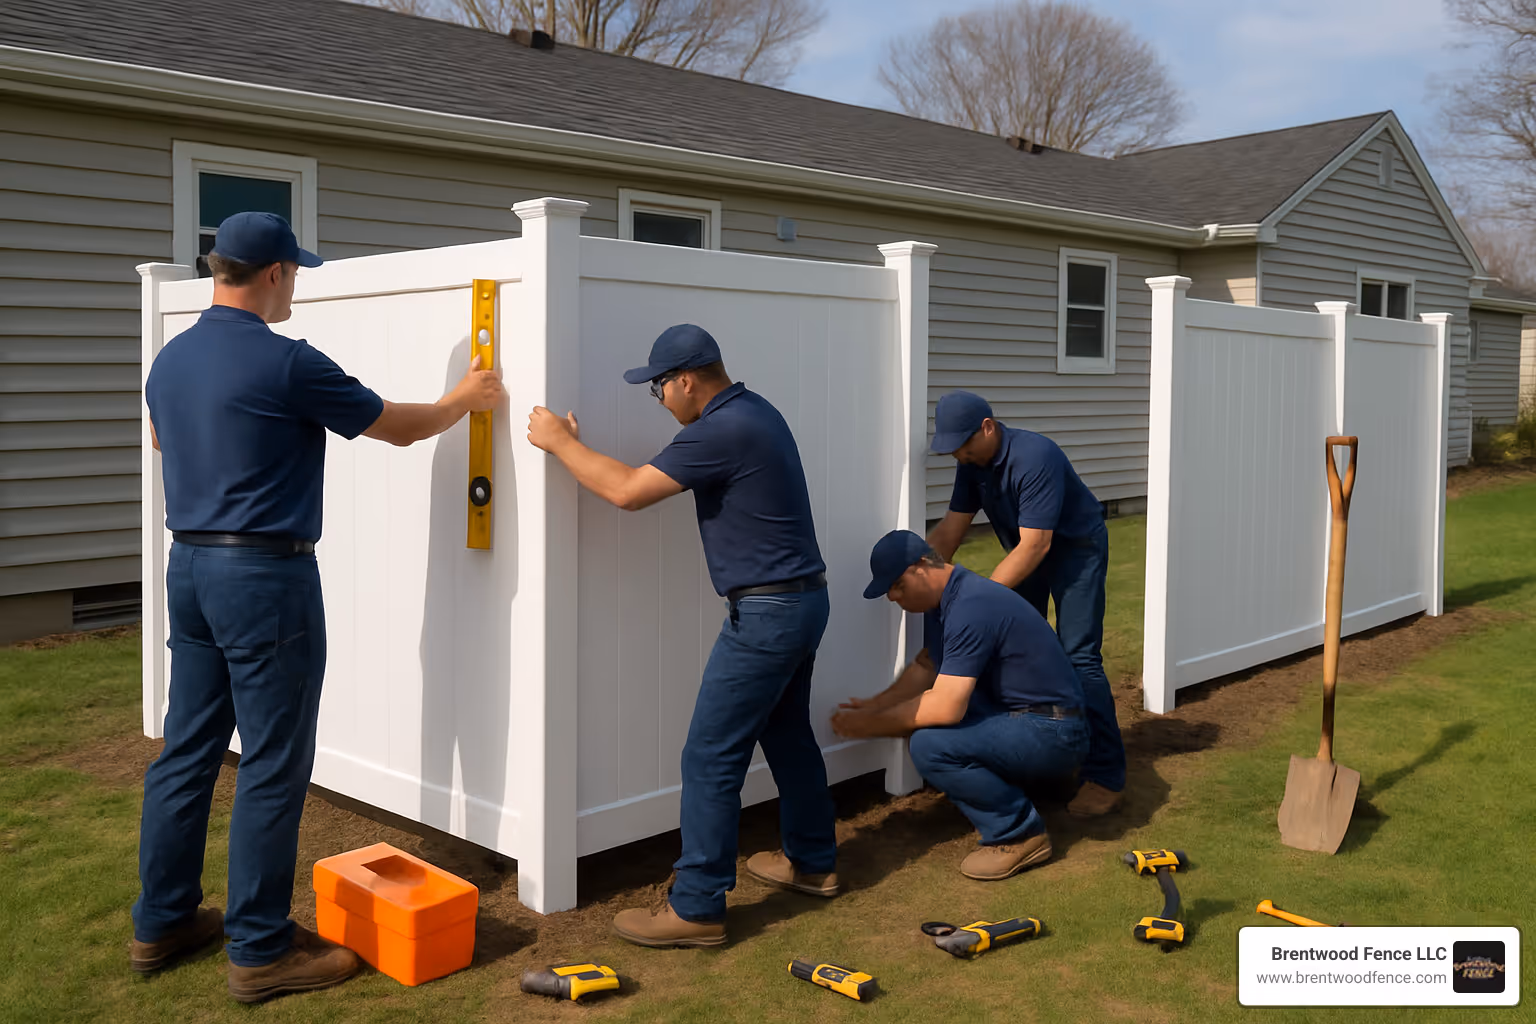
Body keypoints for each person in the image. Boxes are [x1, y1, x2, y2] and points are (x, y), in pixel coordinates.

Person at [135, 212, 504, 1003]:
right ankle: (262, 950)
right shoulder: (287, 364)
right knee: (273, 761)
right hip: (264, 578)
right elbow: (395, 429)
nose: (295, 283)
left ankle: (162, 920)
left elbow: (168, 444)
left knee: (189, 749)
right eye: (294, 272)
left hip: (190, 568)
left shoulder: (170, 360)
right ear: (272, 273)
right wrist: (463, 399)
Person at [526, 324, 835, 948]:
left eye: (658, 389)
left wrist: (559, 444)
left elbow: (627, 491)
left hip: (769, 613)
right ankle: (812, 861)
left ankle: (696, 907)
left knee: (710, 754)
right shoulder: (752, 411)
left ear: (686, 381)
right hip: (802, 601)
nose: (660, 400)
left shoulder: (721, 429)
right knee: (786, 733)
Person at [831, 531, 1087, 879]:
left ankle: (1018, 833)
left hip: (1054, 732)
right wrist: (874, 706)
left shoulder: (971, 606)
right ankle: (1031, 792)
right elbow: (927, 667)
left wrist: (869, 726)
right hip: (1034, 720)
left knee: (930, 742)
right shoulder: (950, 601)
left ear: (921, 567)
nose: (892, 597)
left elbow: (945, 707)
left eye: (897, 585)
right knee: (926, 721)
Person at [924, 391, 1126, 818]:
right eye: (952, 449)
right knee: (1015, 650)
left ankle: (1105, 774)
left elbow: (1038, 544)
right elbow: (950, 531)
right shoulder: (972, 465)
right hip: (1025, 548)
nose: (958, 455)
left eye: (963, 444)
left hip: (1075, 548)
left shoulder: (1035, 456)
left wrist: (978, 601)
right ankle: (1033, 751)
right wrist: (919, 571)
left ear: (988, 427)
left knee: (1079, 655)